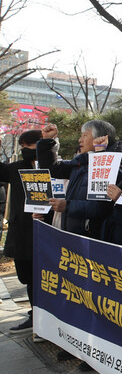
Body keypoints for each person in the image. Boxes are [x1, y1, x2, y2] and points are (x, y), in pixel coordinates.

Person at [37, 121, 120, 238]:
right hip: (70, 236)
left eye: (84, 135)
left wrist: (67, 206)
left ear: (101, 137)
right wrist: (47, 140)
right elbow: (52, 169)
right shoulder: (79, 165)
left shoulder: (111, 168)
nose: (80, 140)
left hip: (90, 241)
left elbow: (101, 207)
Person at [4, 130, 46, 335]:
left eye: (30, 145)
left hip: (47, 232)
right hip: (22, 234)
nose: (26, 150)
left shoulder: (53, 166)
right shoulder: (15, 169)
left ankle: (43, 317)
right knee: (28, 277)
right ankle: (34, 315)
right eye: (25, 146)